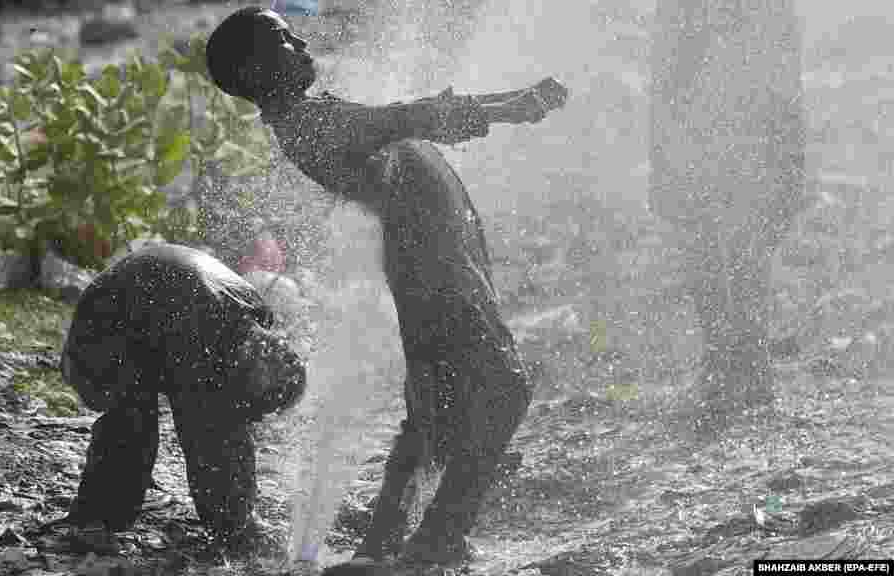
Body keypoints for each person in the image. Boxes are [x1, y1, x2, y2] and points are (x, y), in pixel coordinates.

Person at [206, 7, 565, 570]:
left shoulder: (307, 115)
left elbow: (410, 121)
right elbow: (407, 118)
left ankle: (384, 544)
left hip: (434, 262)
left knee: (431, 412)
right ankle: (438, 539)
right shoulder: (307, 124)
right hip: (436, 269)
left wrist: (495, 108)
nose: (301, 43)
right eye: (284, 39)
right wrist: (513, 105)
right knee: (502, 393)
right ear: (253, 71)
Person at [58, 243, 307, 556]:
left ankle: (101, 517)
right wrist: (236, 529)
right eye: (258, 403)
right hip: (102, 331)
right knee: (135, 428)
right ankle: (94, 523)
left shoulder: (250, 313)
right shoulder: (203, 338)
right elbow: (212, 443)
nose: (252, 413)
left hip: (139, 303)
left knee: (205, 419)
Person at [648, 0, 805, 431]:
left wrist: (790, 157)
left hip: (746, 133)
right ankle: (731, 366)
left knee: (742, 251)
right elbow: (665, 77)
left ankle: (743, 367)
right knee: (714, 250)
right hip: (704, 133)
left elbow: (785, 74)